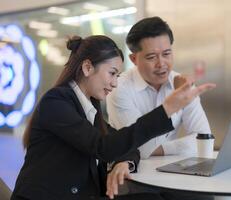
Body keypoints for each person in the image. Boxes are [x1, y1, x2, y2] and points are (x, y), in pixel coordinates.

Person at [10, 35, 215, 200]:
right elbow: (104, 147)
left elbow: (123, 144)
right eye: (112, 73)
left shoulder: (88, 106)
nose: (115, 83)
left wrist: (123, 161)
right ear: (88, 67)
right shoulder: (57, 102)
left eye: (117, 75)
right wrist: (167, 109)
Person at [106, 16, 211, 160]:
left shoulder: (182, 83)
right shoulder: (119, 90)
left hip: (173, 172)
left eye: (166, 54)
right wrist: (176, 102)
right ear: (134, 59)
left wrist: (158, 149)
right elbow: (140, 149)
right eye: (151, 57)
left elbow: (205, 139)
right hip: (131, 173)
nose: (161, 63)